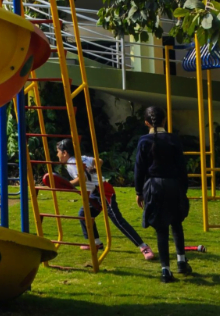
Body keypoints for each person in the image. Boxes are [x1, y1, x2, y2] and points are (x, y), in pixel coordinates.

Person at [54, 138, 154, 259]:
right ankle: (96, 243)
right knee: (84, 214)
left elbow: (82, 179)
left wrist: (66, 183)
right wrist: (95, 169)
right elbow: (99, 161)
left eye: (58, 152)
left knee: (118, 220)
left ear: (65, 152)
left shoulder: (71, 163)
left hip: (103, 192)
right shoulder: (83, 158)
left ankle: (143, 246)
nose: (57, 155)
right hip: (95, 193)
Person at [135, 106, 191, 283]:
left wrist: (139, 191)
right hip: (173, 184)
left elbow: (139, 169)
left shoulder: (144, 141)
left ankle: (165, 270)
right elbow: (182, 167)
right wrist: (183, 189)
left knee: (161, 228)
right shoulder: (173, 139)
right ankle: (181, 262)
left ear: (146, 123)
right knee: (176, 223)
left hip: (154, 186)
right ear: (165, 120)